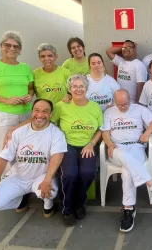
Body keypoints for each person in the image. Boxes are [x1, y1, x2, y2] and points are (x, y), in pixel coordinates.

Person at [0, 99, 67, 218]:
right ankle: (20, 199)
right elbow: (2, 159)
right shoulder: (18, 132)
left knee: (48, 192)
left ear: (50, 114)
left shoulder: (56, 133)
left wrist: (47, 180)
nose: (40, 115)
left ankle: (48, 204)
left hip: (41, 177)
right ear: (31, 113)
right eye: (37, 110)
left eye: (45, 111)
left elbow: (57, 157)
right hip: (18, 177)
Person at [101, 89, 152, 232]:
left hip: (136, 147)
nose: (123, 107)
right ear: (115, 102)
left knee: (127, 171)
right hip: (116, 148)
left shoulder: (139, 109)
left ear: (130, 100)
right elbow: (105, 132)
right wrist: (109, 144)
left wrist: (147, 133)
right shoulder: (109, 112)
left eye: (126, 104)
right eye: (119, 104)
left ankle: (128, 209)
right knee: (124, 156)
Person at [51, 75, 103, 226]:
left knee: (88, 173)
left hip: (87, 145)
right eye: (75, 86)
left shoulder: (94, 106)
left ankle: (79, 203)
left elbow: (100, 128)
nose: (78, 89)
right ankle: (67, 209)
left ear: (87, 88)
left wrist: (91, 144)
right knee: (69, 174)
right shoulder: (61, 106)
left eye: (81, 86)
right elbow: (51, 123)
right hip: (67, 145)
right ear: (69, 89)